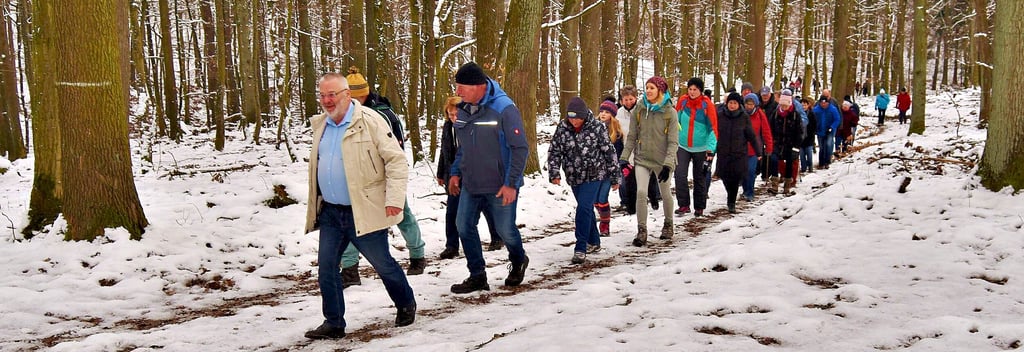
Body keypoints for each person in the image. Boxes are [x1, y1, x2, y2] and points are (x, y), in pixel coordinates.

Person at [303, 72, 416, 340]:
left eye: (332, 95)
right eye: (322, 95)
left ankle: (405, 303)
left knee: (382, 263)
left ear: (347, 95)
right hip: (331, 212)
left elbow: (396, 161)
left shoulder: (370, 121)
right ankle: (334, 322)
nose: (327, 101)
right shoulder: (321, 125)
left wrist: (394, 199)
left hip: (363, 209)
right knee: (327, 267)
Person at [338, 68, 426, 287]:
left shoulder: (383, 113)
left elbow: (396, 150)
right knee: (352, 220)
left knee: (402, 214)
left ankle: (417, 255)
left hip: (385, 178)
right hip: (356, 178)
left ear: (363, 94)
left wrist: (394, 177)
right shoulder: (342, 116)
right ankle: (349, 269)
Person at [447, 62, 529, 294]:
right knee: (463, 226)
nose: (458, 92)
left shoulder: (504, 108)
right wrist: (455, 172)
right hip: (471, 183)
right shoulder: (463, 109)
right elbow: (464, 147)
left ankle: (518, 259)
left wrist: (511, 183)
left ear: (479, 86)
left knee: (505, 230)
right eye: (457, 86)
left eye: (462, 87)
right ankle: (477, 275)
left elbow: (520, 148)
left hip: (500, 184)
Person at [548, 97, 621, 264]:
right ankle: (594, 241)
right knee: (586, 209)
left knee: (583, 208)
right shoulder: (562, 128)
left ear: (584, 116)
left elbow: (609, 152)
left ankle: (580, 247)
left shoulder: (597, 127)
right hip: (574, 176)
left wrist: (615, 176)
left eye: (577, 118)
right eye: (571, 118)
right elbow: (555, 151)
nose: (574, 121)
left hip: (595, 175)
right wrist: (554, 173)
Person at [436, 97, 502, 260]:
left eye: (455, 114)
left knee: (486, 206)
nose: (453, 117)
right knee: (452, 210)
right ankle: (451, 246)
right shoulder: (448, 127)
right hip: (453, 175)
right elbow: (445, 151)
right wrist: (441, 173)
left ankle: (497, 236)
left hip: (474, 174)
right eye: (450, 114)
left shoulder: (473, 126)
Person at [620, 76, 679, 246]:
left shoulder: (670, 112)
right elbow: (632, 137)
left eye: (652, 88)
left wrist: (668, 164)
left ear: (660, 90)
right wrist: (624, 157)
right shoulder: (639, 109)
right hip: (643, 159)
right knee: (641, 192)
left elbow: (673, 142)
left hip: (663, 161)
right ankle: (642, 230)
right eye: (647, 87)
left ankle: (668, 224)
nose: (648, 91)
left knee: (665, 192)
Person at [673, 77, 718, 217]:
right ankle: (683, 205)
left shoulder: (707, 105)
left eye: (695, 90)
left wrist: (711, 149)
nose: (692, 92)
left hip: (701, 147)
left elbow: (713, 128)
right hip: (683, 145)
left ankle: (699, 206)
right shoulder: (683, 101)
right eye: (690, 89)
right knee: (679, 174)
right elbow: (675, 121)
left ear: (701, 91)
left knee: (699, 177)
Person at [616, 85, 662, 215]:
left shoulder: (643, 109)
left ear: (636, 98)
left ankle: (653, 196)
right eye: (625, 99)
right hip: (627, 149)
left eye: (631, 99)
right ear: (622, 100)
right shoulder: (619, 113)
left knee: (648, 176)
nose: (628, 102)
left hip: (644, 148)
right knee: (628, 178)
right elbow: (617, 131)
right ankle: (629, 204)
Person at [716, 93, 763, 213]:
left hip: (739, 154)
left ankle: (731, 202)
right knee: (725, 177)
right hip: (723, 153)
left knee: (735, 178)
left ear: (739, 104)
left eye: (735, 103)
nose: (732, 105)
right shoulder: (720, 116)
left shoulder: (744, 117)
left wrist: (758, 152)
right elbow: (714, 132)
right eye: (730, 103)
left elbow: (751, 136)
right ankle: (730, 194)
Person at [597, 98, 623, 236]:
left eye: (606, 112)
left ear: (612, 115)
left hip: (608, 171)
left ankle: (604, 225)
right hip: (595, 171)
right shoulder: (593, 128)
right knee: (595, 200)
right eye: (601, 111)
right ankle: (603, 216)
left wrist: (616, 175)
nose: (603, 114)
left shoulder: (616, 133)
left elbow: (617, 156)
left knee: (602, 198)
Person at [772, 91, 804, 194]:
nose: (784, 107)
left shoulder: (795, 115)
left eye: (785, 105)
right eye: (782, 105)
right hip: (777, 142)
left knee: (789, 163)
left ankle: (787, 185)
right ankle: (774, 185)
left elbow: (799, 132)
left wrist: (796, 147)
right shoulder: (775, 113)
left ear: (789, 104)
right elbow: (770, 127)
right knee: (774, 160)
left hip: (791, 143)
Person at [741, 93, 772, 201]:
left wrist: (769, 146)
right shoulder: (740, 114)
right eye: (747, 104)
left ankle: (750, 192)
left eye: (751, 104)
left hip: (755, 148)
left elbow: (766, 131)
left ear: (755, 104)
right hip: (741, 148)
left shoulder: (760, 114)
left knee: (751, 170)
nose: (749, 106)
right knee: (743, 171)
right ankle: (745, 190)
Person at [758, 86, 780, 192]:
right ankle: (764, 174)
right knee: (761, 154)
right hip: (760, 132)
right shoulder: (758, 105)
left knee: (771, 155)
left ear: (770, 94)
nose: (765, 97)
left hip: (771, 132)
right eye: (763, 95)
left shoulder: (775, 105)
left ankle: (771, 174)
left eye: (766, 95)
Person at [812, 95, 841, 169]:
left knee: (828, 144)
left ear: (828, 103)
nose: (823, 105)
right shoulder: (816, 110)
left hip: (830, 130)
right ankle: (821, 162)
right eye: (822, 103)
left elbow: (837, 119)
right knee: (821, 147)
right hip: (820, 131)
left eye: (825, 103)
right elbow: (812, 119)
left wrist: (832, 127)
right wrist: (815, 127)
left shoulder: (832, 109)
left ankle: (827, 161)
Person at [798, 97, 818, 174]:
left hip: (809, 137)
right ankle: (803, 167)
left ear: (808, 105)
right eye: (802, 105)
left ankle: (810, 166)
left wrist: (812, 133)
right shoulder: (798, 114)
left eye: (805, 105)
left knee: (809, 153)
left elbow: (814, 124)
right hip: (801, 138)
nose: (803, 107)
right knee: (802, 154)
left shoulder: (811, 114)